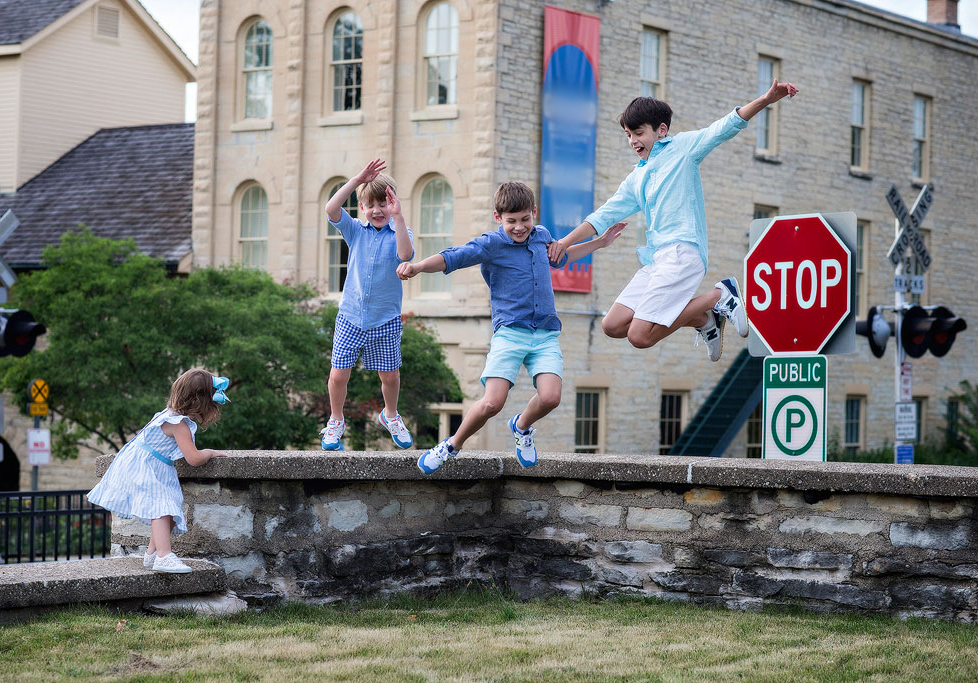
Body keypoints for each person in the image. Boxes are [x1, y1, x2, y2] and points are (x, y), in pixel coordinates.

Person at [548, 78, 800, 362]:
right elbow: (603, 215)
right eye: (628, 135)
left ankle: (719, 296)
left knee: (640, 336)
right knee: (613, 325)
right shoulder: (638, 176)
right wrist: (564, 242)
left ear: (661, 130)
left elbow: (724, 127)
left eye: (639, 133)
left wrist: (765, 100)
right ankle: (704, 320)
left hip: (683, 252)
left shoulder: (683, 148)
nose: (633, 141)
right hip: (657, 260)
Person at [397, 182, 624, 474]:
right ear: (498, 217)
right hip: (510, 333)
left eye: (525, 220)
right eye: (511, 222)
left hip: (545, 333)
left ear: (534, 213)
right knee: (493, 403)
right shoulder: (491, 244)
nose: (519, 227)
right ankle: (451, 445)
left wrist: (600, 243)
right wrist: (416, 267)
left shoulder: (541, 236)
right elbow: (452, 256)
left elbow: (562, 256)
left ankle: (522, 426)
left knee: (551, 397)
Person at [87, 369, 230, 574]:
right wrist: (209, 452)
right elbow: (193, 458)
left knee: (169, 509)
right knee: (161, 507)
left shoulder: (170, 415)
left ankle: (152, 553)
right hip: (146, 466)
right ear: (200, 402)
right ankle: (164, 555)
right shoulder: (177, 423)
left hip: (154, 465)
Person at [320, 159, 416, 452]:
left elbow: (406, 253)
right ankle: (336, 420)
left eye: (383, 204)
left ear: (393, 204)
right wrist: (357, 179)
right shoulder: (356, 231)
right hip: (351, 316)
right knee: (338, 374)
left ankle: (390, 415)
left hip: (385, 320)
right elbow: (330, 209)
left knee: (390, 376)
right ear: (362, 207)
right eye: (370, 205)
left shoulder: (401, 231)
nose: (377, 210)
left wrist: (398, 217)